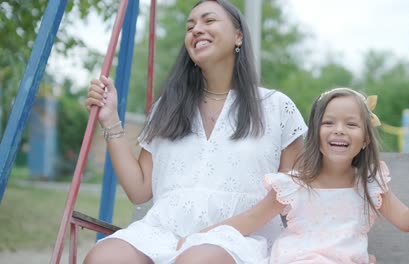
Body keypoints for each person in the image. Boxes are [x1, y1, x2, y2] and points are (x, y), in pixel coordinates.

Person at [83, 0, 307, 263]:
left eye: (209, 21)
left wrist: (209, 234)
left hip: (243, 237)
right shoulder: (169, 107)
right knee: (104, 257)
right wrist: (110, 119)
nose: (197, 29)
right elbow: (139, 189)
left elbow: (287, 193)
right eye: (190, 27)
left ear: (238, 35)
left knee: (197, 260)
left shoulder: (276, 107)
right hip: (163, 233)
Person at [177, 87, 409, 264]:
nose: (339, 129)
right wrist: (197, 237)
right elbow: (248, 220)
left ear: (365, 139)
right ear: (316, 134)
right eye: (329, 123)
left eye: (351, 124)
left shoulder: (368, 184)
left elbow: (406, 220)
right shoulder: (293, 185)